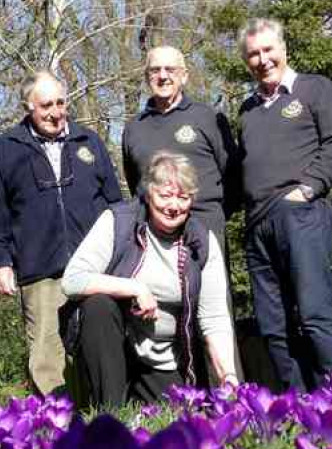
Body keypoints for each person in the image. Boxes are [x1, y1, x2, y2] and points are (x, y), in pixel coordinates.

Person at [0, 69, 123, 395]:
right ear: (28, 106)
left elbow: (115, 203)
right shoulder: (6, 148)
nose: (56, 112)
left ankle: (101, 415)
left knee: (97, 341)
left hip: (93, 265)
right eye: (46, 105)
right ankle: (56, 423)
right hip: (39, 267)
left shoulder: (88, 141)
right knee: (47, 353)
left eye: (61, 103)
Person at [61, 151, 238, 406]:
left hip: (165, 357)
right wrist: (133, 287)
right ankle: (110, 416)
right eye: (165, 195)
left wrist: (228, 375)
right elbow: (72, 280)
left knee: (175, 425)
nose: (173, 206)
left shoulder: (202, 242)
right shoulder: (118, 221)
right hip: (118, 344)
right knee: (97, 304)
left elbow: (214, 319)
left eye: (183, 197)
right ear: (147, 192)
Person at [236, 17, 332, 391]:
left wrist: (308, 189)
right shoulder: (247, 110)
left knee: (314, 314)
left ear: (283, 49)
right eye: (253, 54)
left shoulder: (314, 89)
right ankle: (296, 405)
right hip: (258, 226)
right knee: (273, 326)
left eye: (268, 50)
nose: (262, 59)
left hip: (301, 215)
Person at [121, 45, 238, 254]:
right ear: (147, 77)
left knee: (210, 288)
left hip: (204, 228)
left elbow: (233, 174)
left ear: (184, 76)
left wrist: (214, 214)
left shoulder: (208, 117)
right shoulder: (134, 128)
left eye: (170, 69)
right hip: (152, 238)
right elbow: (135, 182)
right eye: (155, 70)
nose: (163, 76)